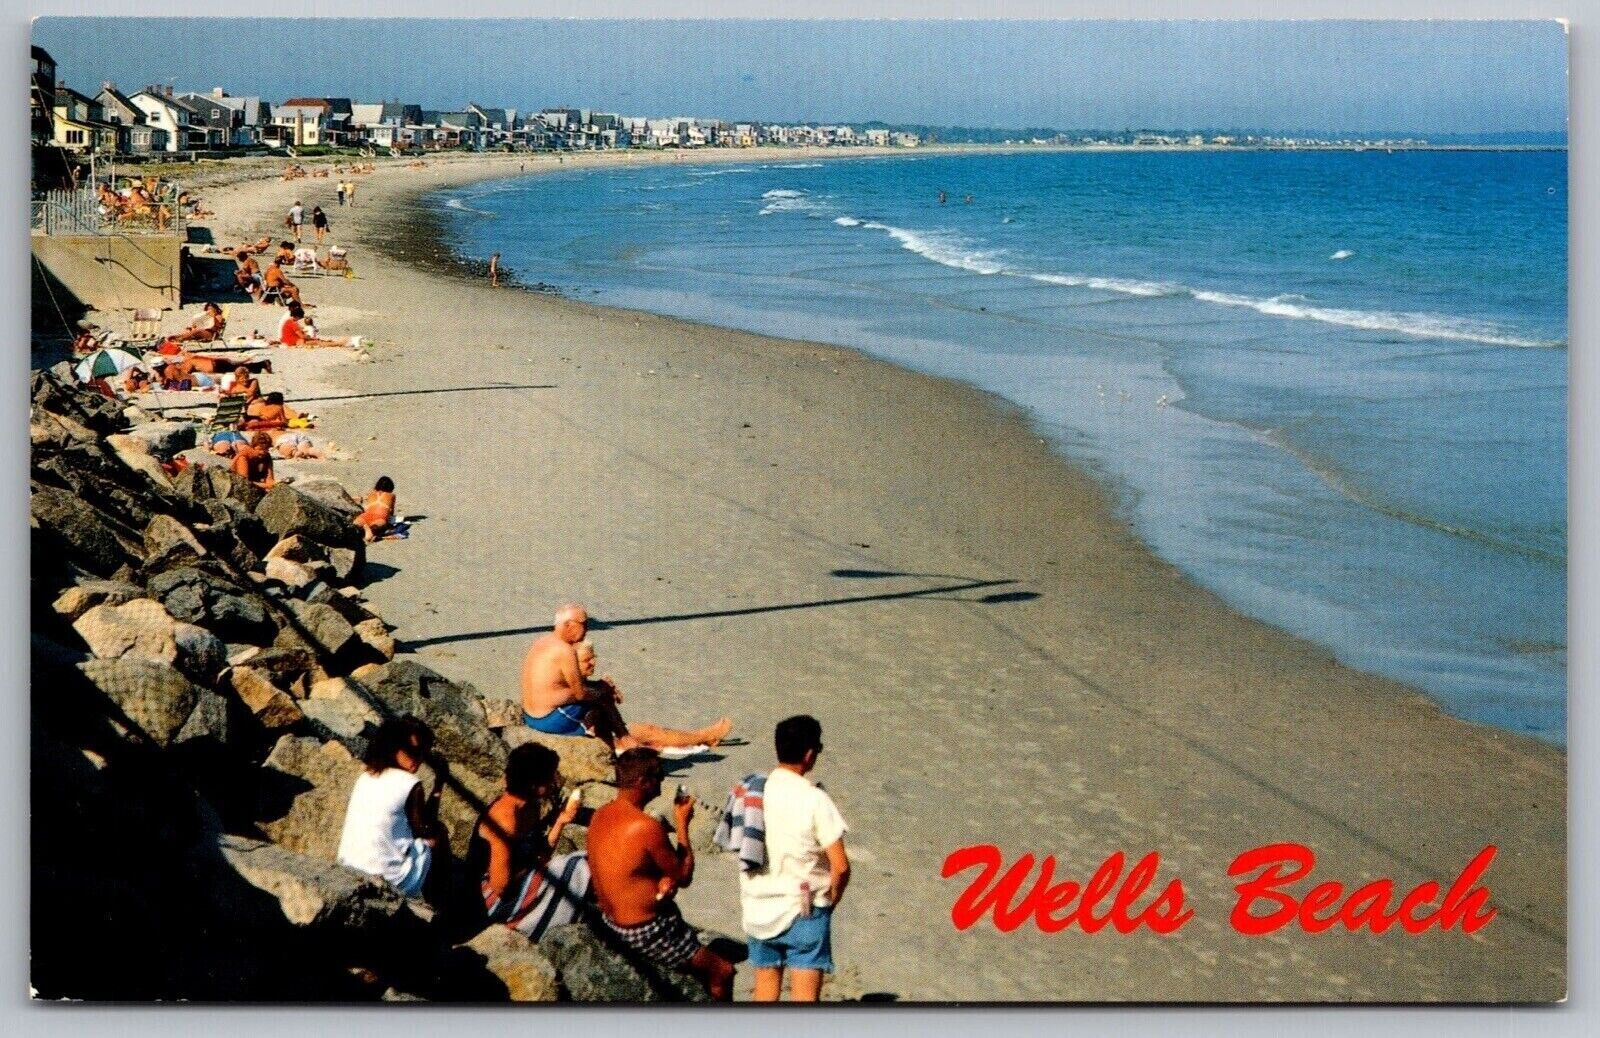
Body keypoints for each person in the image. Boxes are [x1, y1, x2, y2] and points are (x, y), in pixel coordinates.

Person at [587, 749, 735, 1000]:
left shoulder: (601, 814)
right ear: (642, 782)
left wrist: (661, 880)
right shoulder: (645, 826)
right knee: (723, 971)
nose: (663, 779)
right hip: (644, 930)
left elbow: (629, 866)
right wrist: (682, 824)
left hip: (610, 921)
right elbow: (684, 875)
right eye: (658, 775)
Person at [737, 715, 850, 1002]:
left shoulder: (753, 791)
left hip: (758, 907)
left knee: (764, 990)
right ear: (809, 754)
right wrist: (831, 899)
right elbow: (840, 866)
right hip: (804, 908)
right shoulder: (815, 799)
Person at [520, 604, 731, 750]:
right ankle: (627, 738)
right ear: (568, 625)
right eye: (584, 624)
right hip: (551, 719)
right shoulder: (564, 650)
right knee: (617, 709)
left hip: (533, 715)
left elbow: (556, 688)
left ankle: (623, 739)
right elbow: (580, 693)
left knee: (602, 696)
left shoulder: (543, 642)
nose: (588, 628)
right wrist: (603, 692)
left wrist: (599, 689)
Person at [468, 743, 591, 942]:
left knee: (578, 863)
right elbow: (500, 886)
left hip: (518, 882)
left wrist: (561, 821)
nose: (554, 782)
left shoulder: (530, 808)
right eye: (549, 777)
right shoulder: (505, 819)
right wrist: (536, 866)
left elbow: (541, 853)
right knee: (575, 865)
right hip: (486, 897)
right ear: (533, 784)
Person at [336, 716, 444, 899]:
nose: (418, 758)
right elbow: (426, 829)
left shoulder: (366, 776)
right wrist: (438, 787)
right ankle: (441, 900)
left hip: (349, 868)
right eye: (413, 751)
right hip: (390, 879)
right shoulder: (410, 782)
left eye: (422, 753)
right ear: (393, 747)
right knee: (439, 835)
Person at [277, 303, 358, 349]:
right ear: (297, 316)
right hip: (293, 342)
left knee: (318, 341)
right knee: (318, 342)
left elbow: (296, 332)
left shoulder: (288, 321)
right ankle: (338, 343)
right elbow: (302, 336)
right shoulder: (292, 323)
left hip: (287, 340)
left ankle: (338, 343)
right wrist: (311, 337)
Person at [354, 476, 397, 543]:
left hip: (367, 515)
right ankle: (370, 530)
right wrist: (389, 523)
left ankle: (365, 527)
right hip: (380, 517)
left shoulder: (371, 493)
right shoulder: (392, 495)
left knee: (356, 523)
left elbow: (366, 502)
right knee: (376, 526)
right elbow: (391, 512)